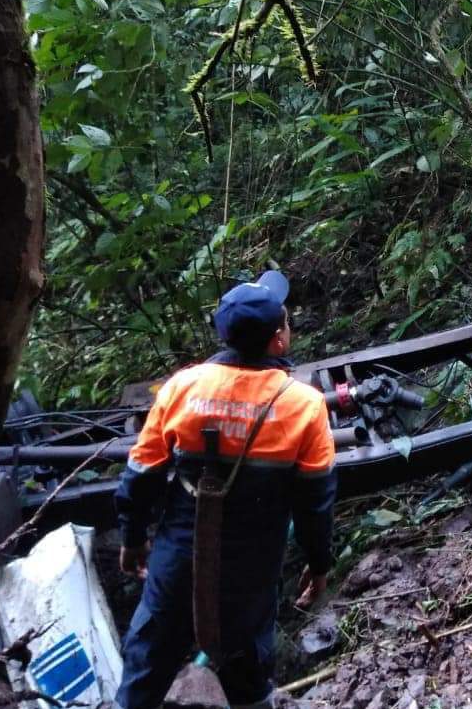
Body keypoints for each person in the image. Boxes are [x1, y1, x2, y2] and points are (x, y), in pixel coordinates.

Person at [114, 270, 336, 709]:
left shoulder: (181, 388)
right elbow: (316, 502)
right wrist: (319, 562)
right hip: (251, 568)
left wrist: (132, 538)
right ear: (279, 340)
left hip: (178, 557)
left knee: (146, 663)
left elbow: (141, 474)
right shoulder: (303, 405)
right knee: (249, 672)